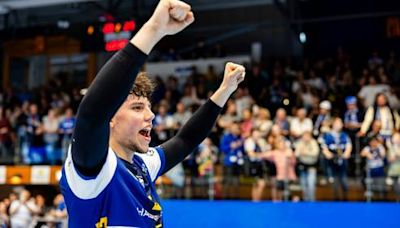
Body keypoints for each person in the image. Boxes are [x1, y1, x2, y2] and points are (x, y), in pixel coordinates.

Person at [59, 1, 246, 227]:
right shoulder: (93, 169)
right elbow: (91, 114)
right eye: (137, 107)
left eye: (149, 107)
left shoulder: (142, 164)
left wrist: (224, 91)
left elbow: (185, 140)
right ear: (110, 118)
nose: (151, 116)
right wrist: (153, 30)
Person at [321, 118, 352, 200]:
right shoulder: (328, 135)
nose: (340, 125)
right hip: (331, 162)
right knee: (334, 182)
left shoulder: (344, 135)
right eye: (338, 123)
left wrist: (346, 154)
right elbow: (324, 147)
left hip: (342, 162)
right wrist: (328, 154)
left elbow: (349, 146)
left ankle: (345, 198)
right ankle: (335, 199)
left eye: (341, 123)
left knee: (344, 181)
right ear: (333, 124)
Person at [295, 131, 319, 201]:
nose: (306, 138)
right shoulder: (300, 143)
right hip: (302, 166)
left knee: (311, 185)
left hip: (311, 167)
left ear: (310, 137)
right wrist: (302, 151)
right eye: (304, 136)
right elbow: (296, 154)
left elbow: (315, 153)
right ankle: (306, 201)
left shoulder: (313, 142)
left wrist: (305, 152)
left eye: (307, 136)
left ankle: (312, 201)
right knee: (303, 186)